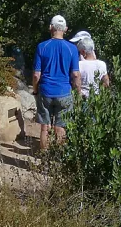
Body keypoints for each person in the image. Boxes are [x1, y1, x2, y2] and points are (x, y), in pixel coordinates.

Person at [32, 14, 83, 149]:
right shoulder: (72, 48)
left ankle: (44, 159)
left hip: (46, 91)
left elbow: (37, 75)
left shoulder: (42, 46)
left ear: (50, 27)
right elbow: (76, 74)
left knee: (45, 127)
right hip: (64, 92)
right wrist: (78, 92)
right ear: (65, 29)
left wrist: (35, 90)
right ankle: (57, 160)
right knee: (60, 128)